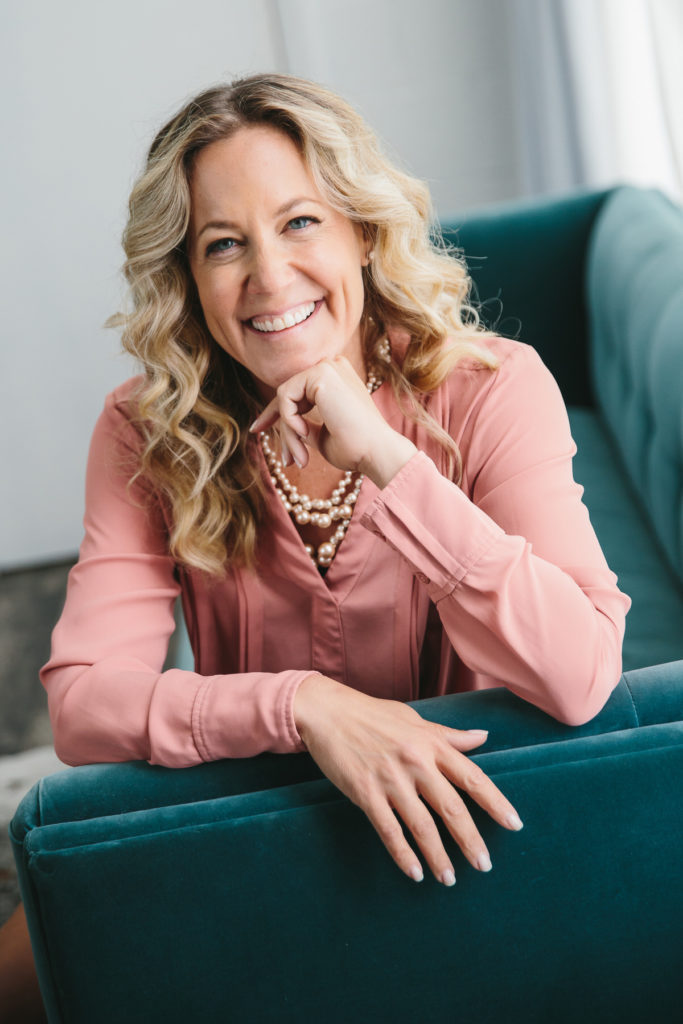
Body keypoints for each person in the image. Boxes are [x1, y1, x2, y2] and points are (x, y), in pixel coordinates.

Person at [1, 72, 630, 1020]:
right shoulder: (145, 427)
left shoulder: (495, 389)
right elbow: (85, 705)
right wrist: (305, 707)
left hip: (470, 847)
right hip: (257, 832)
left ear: (361, 234)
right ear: (188, 279)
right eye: (224, 244)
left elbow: (580, 673)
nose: (267, 276)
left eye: (300, 222)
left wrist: (385, 459)